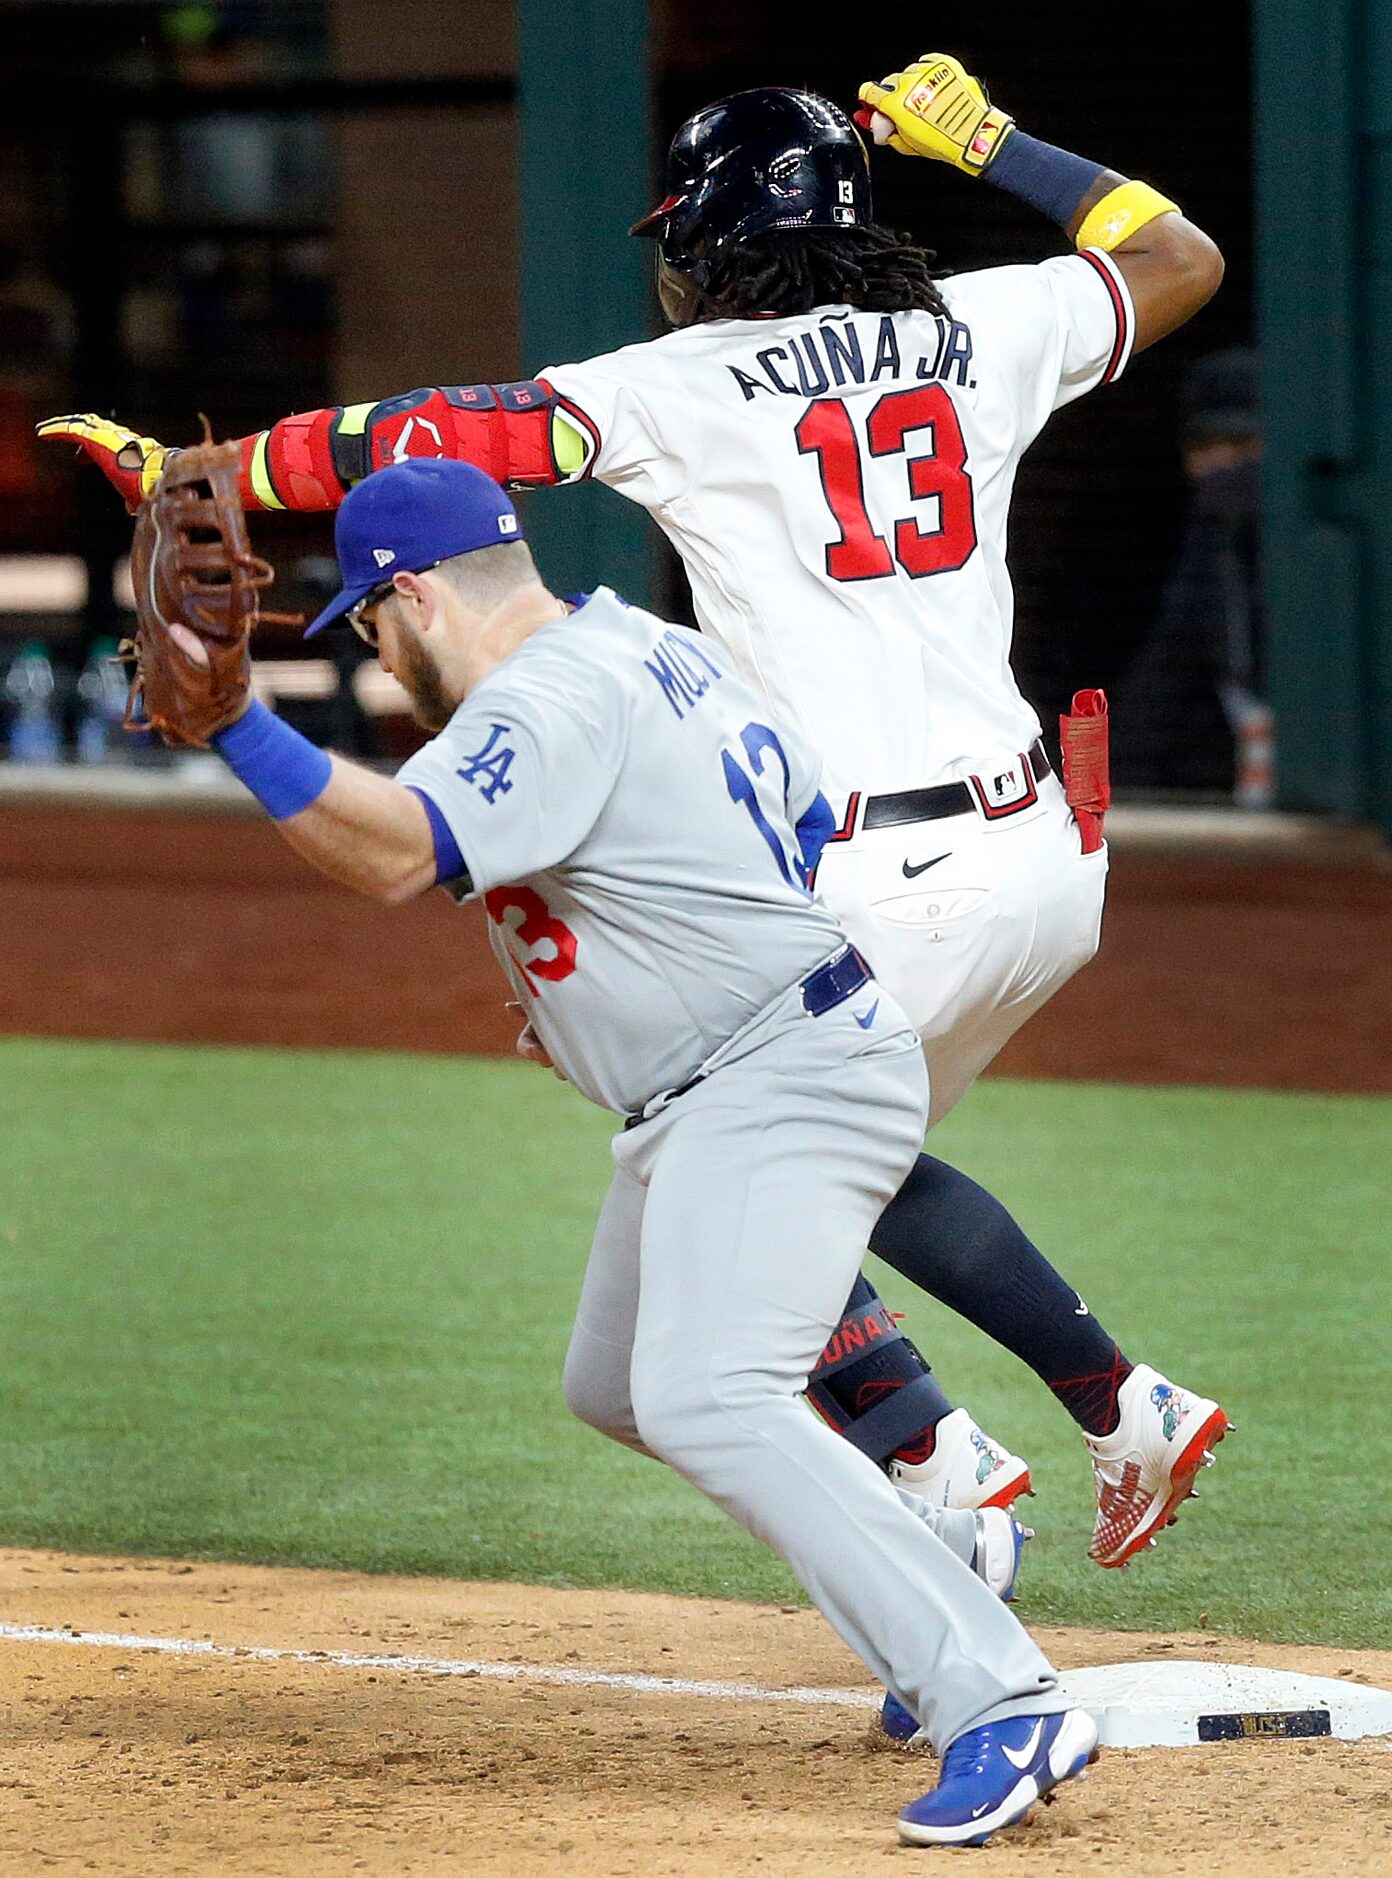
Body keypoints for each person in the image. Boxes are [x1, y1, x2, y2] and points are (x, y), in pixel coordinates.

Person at [39, 52, 1230, 1569]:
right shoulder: (981, 322)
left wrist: (191, 467)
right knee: (813, 1165)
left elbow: (426, 436)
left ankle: (1008, 1441)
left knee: (718, 1172)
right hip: (1045, 860)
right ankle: (1007, 1446)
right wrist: (998, 145)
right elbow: (1176, 258)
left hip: (873, 878)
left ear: (723, 241)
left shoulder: (684, 384)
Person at [186, 452, 1100, 1847]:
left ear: (415, 596)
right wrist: (625, 974)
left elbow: (395, 853)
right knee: (615, 1381)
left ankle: (1001, 1695)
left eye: (370, 628)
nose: (376, 664)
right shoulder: (642, 642)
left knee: (704, 1395)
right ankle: (947, 1549)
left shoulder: (545, 698)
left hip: (771, 1071)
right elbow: (796, 815)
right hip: (737, 1065)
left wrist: (242, 723)